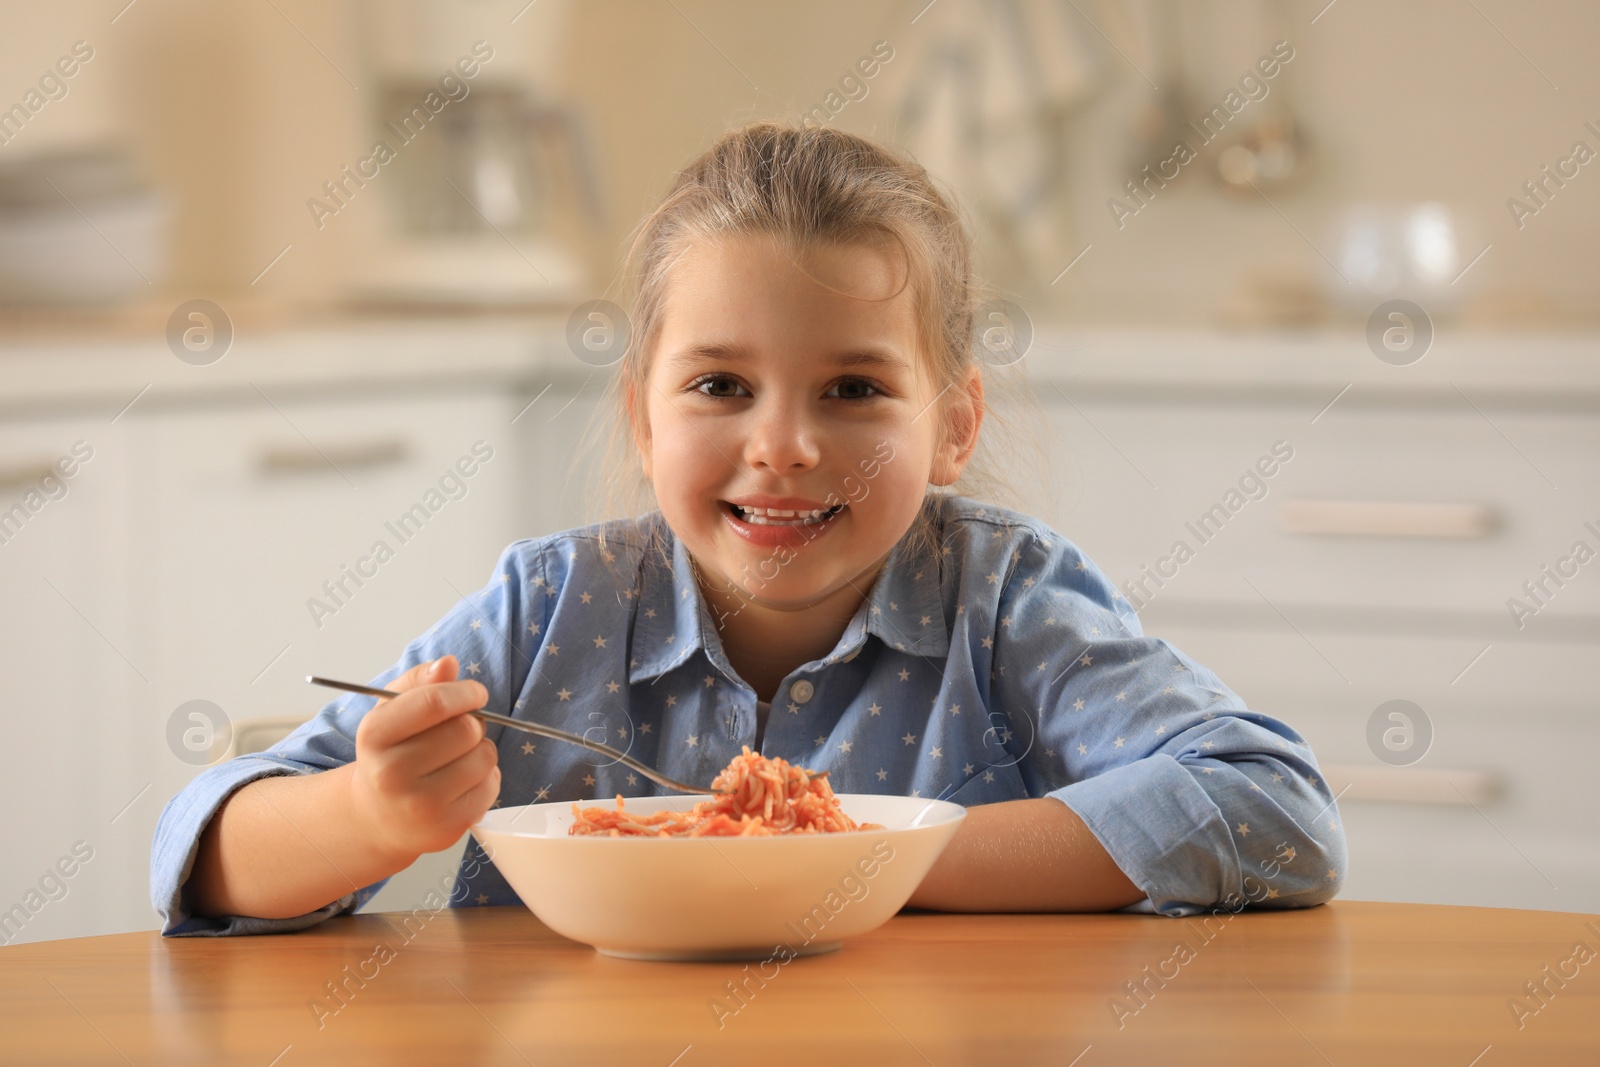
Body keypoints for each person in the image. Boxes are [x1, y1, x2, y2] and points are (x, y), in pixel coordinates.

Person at [152, 120, 1344, 936]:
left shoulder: (1006, 602)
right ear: (640, 416)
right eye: (720, 386)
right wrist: (365, 815)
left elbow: (1276, 811)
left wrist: (865, 859)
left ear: (952, 425)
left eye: (854, 388)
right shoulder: (548, 610)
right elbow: (204, 857)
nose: (782, 444)